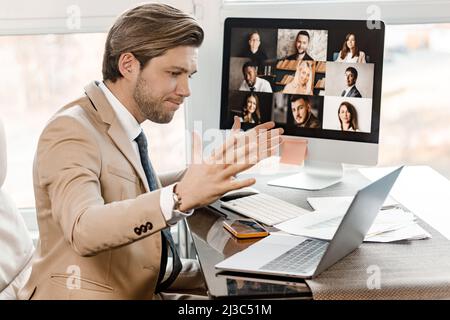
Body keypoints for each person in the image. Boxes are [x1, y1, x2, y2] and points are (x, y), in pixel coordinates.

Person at [19, 3, 282, 300]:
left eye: (189, 76)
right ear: (128, 65)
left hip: (142, 282)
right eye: (173, 73)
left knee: (259, 289)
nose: (185, 90)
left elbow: (127, 190)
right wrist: (180, 196)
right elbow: (84, 228)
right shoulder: (70, 131)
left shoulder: (116, 122)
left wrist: (209, 171)